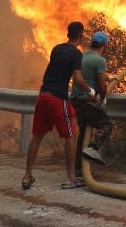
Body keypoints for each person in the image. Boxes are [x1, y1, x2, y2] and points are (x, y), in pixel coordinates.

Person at [22, 21, 98, 190]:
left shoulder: (56, 48)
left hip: (43, 96)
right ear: (81, 35)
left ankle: (28, 175)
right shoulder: (77, 54)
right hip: (57, 98)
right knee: (70, 136)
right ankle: (71, 178)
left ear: (67, 34)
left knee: (37, 136)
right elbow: (78, 79)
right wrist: (90, 91)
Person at [70, 30, 116, 171]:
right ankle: (93, 148)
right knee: (106, 125)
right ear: (104, 45)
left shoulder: (82, 56)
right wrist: (102, 99)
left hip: (75, 101)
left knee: (83, 134)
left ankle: (78, 169)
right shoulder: (100, 60)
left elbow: (90, 74)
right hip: (87, 102)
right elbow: (101, 85)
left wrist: (109, 77)